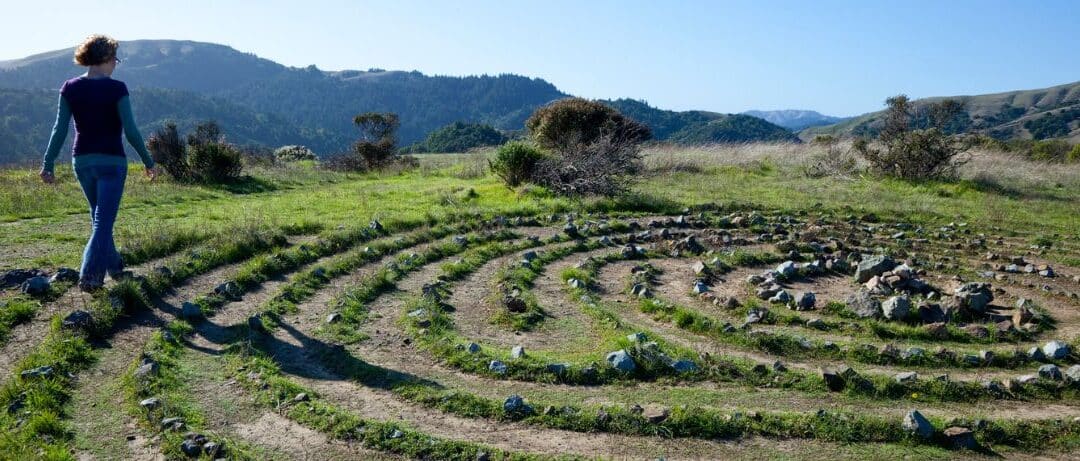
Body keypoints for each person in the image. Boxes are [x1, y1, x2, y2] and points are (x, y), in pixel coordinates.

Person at [40, 34, 157, 292]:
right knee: (102, 221)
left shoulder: (69, 87)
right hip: (112, 162)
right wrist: (149, 161)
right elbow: (132, 131)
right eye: (115, 58)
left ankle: (115, 267)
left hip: (81, 161)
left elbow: (59, 129)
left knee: (98, 218)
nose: (116, 63)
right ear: (104, 58)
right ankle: (91, 276)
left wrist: (48, 163)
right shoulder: (117, 89)